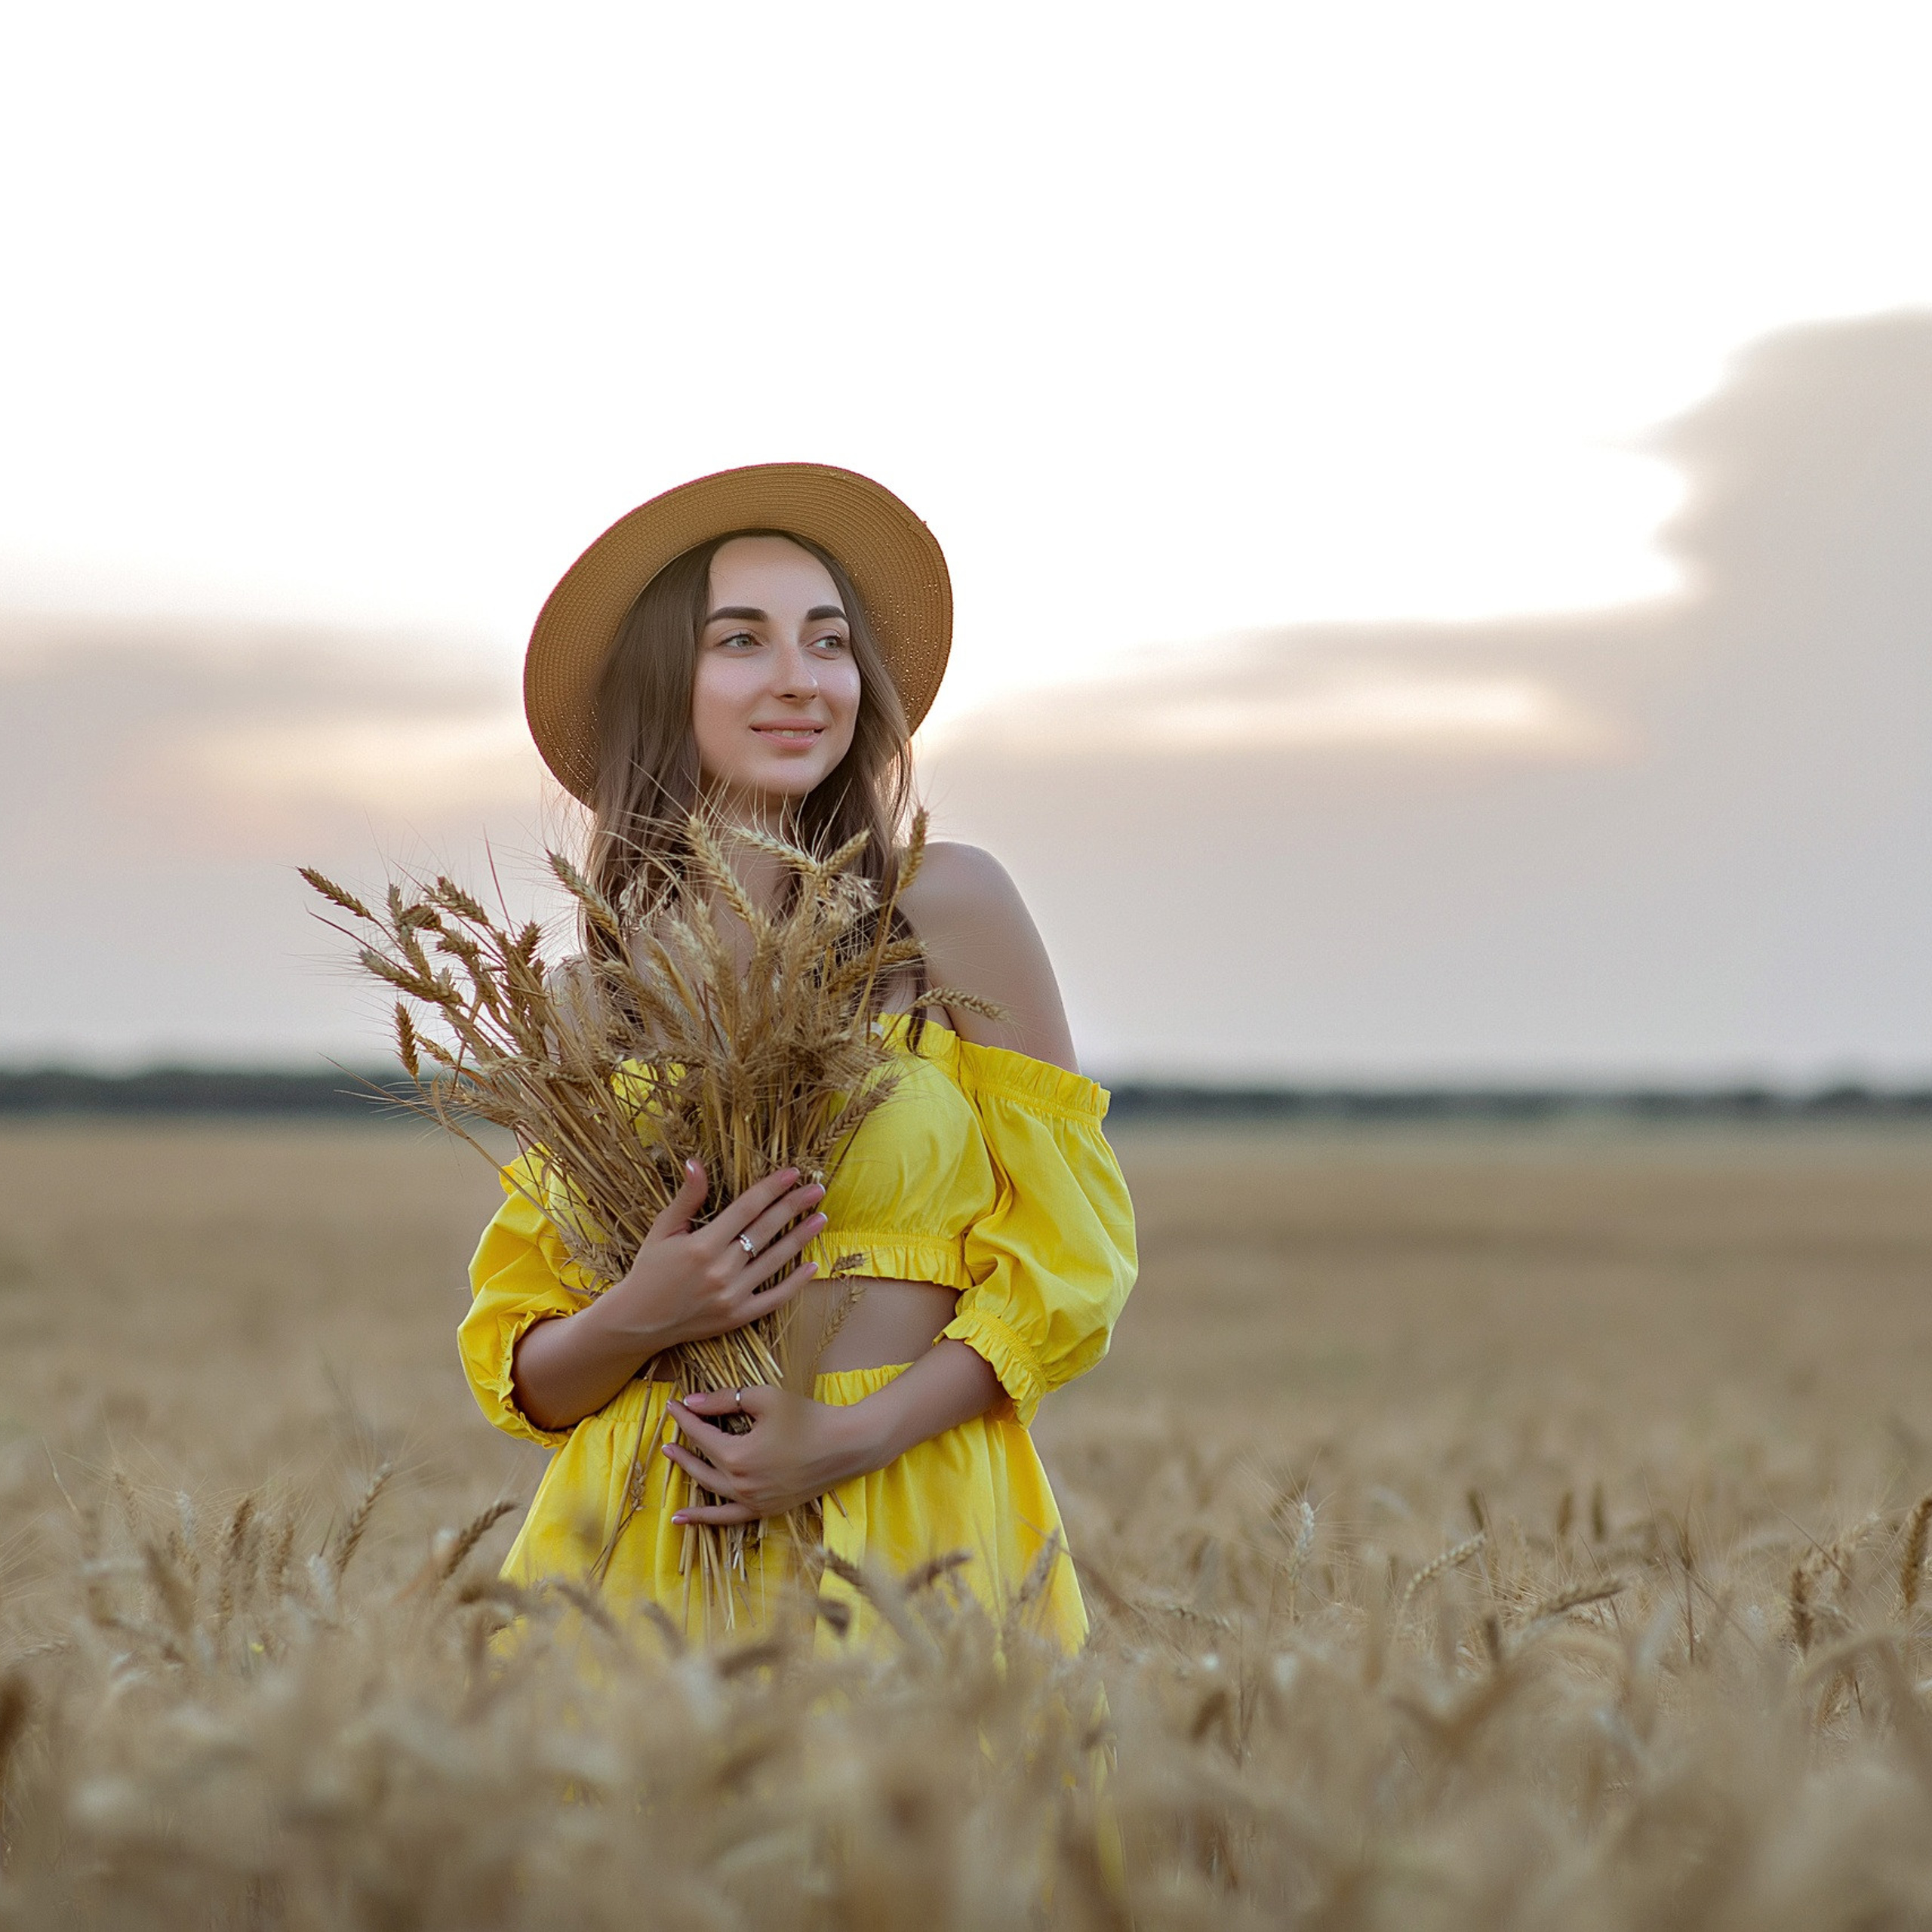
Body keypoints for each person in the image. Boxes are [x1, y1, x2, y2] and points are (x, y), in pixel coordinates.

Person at [458, 463, 1137, 1647]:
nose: (799, 679)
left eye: (828, 643)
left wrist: (847, 1439)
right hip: (646, 1548)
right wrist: (641, 1313)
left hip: (916, 1524)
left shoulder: (945, 906)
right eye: (741, 641)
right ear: (657, 687)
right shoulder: (583, 1000)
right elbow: (534, 1371)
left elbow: (1070, 1260)